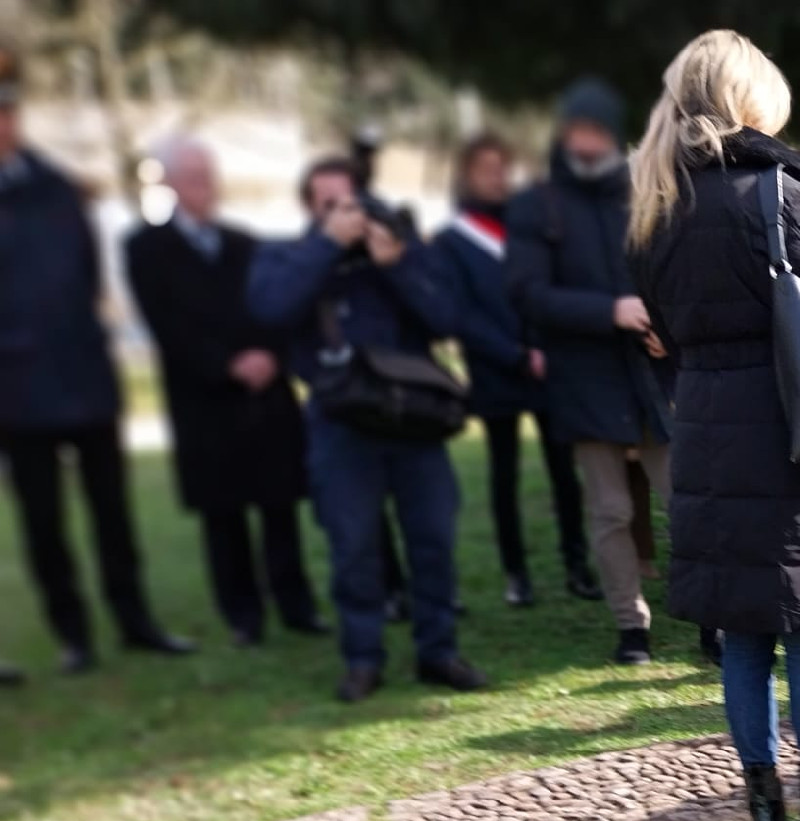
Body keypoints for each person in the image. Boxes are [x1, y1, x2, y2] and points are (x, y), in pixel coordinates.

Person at [627, 29, 800, 821]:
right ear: (750, 99)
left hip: (705, 432)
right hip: (792, 430)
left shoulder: (654, 204)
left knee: (741, 634)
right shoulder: (774, 191)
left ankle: (762, 813)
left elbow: (663, 332)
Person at [247, 155, 487, 703]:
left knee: (433, 540)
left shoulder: (402, 247)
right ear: (310, 207)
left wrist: (396, 262)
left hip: (414, 420)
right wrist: (327, 245)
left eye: (347, 202)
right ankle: (362, 658)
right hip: (341, 424)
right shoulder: (288, 256)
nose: (340, 213)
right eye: (326, 204)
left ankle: (439, 652)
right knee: (352, 548)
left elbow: (447, 317)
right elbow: (269, 308)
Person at [0, 42, 192, 674]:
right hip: (16, 391)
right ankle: (73, 635)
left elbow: (85, 276)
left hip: (83, 372)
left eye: (7, 113)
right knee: (44, 524)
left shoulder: (59, 188)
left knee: (113, 513)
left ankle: (135, 620)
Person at [126, 137, 323, 648]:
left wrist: (268, 356)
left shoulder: (244, 242)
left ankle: (296, 606)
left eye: (208, 174)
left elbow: (275, 305)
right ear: (167, 182)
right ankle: (244, 616)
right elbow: (166, 325)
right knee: (224, 514)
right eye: (192, 176)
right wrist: (226, 364)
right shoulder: (145, 250)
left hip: (265, 395)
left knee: (279, 506)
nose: (204, 185)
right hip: (205, 400)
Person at [509, 78, 679, 666]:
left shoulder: (645, 192)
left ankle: (716, 616)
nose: (586, 140)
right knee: (611, 513)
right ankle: (631, 627)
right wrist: (609, 312)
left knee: (685, 498)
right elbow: (528, 294)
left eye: (596, 129)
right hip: (585, 379)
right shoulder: (538, 205)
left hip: (651, 374)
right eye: (577, 129)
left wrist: (666, 328)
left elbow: (669, 273)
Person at [433, 132, 595, 609]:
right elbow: (460, 314)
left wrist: (544, 347)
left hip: (549, 366)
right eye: (485, 167)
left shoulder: (532, 228)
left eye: (502, 166)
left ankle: (576, 565)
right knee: (503, 476)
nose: (496, 176)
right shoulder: (452, 240)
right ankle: (516, 574)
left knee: (564, 472)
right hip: (496, 370)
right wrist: (515, 354)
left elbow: (550, 291)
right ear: (466, 174)